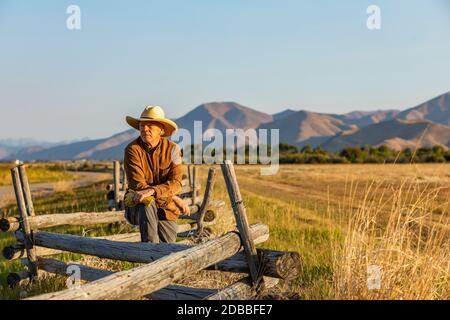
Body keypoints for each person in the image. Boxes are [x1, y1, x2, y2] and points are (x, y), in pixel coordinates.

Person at [123, 105, 188, 243]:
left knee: (168, 250)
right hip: (138, 207)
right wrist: (173, 197)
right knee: (146, 201)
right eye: (142, 125)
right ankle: (149, 251)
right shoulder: (132, 150)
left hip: (166, 208)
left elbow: (176, 183)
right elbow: (139, 187)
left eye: (150, 125)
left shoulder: (174, 150)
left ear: (161, 130)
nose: (144, 129)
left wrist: (153, 190)